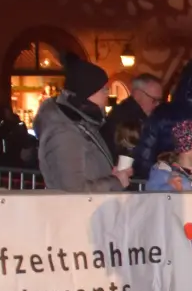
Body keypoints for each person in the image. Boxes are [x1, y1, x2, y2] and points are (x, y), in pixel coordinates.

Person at [35, 55, 131, 192]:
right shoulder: (64, 132)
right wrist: (116, 181)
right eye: (104, 89)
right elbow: (73, 189)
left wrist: (111, 174)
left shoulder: (82, 123)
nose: (107, 94)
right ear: (88, 93)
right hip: (78, 212)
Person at [103, 72, 164, 157]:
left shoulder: (136, 115)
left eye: (159, 101)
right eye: (154, 100)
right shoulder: (125, 119)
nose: (157, 104)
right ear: (138, 94)